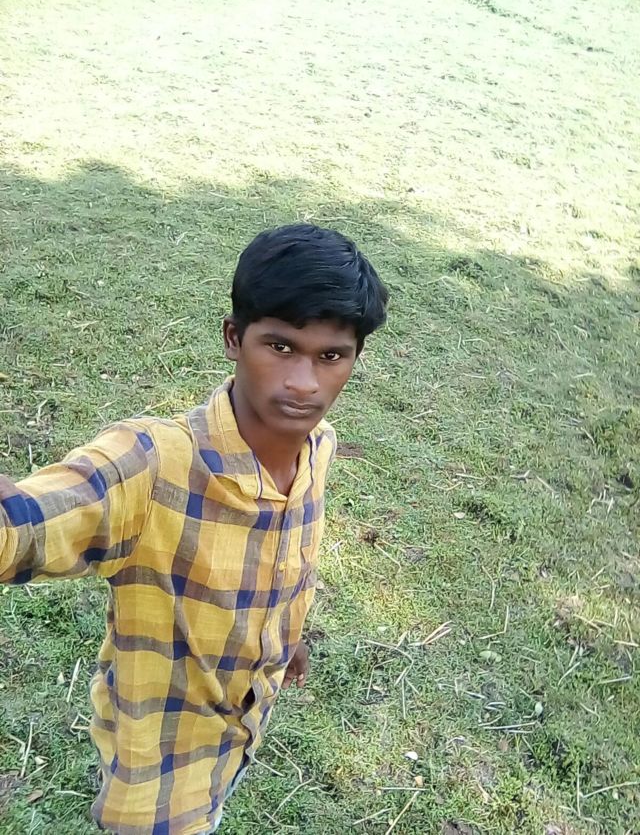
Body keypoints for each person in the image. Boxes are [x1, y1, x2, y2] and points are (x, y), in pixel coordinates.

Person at [0, 224, 389, 834]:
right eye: (280, 346)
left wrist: (287, 638)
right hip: (158, 780)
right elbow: (27, 527)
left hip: (241, 733)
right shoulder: (152, 463)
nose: (303, 383)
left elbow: (289, 556)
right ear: (233, 338)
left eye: (331, 357)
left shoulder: (319, 447)